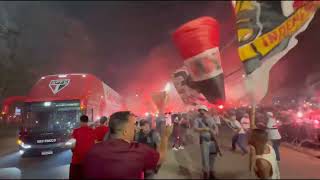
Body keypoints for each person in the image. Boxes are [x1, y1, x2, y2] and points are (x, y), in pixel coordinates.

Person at [83, 111, 172, 179]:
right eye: (134, 125)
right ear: (125, 131)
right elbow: (161, 158)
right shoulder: (136, 150)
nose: (136, 128)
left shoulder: (92, 151)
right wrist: (166, 137)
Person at [193, 105, 220, 179]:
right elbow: (195, 129)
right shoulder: (197, 119)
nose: (202, 112)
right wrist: (204, 129)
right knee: (205, 158)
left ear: (206, 111)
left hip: (213, 140)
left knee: (212, 157)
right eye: (200, 110)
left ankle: (211, 172)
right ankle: (205, 173)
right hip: (204, 141)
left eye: (203, 110)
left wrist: (216, 131)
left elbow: (215, 126)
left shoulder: (211, 118)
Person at [69, 115, 95, 179]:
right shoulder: (92, 131)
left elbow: (72, 146)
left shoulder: (75, 131)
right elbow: (95, 144)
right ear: (87, 121)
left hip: (76, 161)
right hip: (89, 161)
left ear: (80, 121)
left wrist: (73, 150)